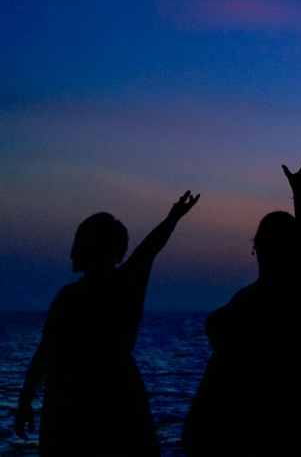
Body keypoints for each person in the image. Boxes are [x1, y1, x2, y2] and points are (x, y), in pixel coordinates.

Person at [12, 191, 200, 455]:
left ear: (93, 248)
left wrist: (24, 403)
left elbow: (45, 352)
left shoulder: (72, 297)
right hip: (117, 392)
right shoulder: (124, 285)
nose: (72, 253)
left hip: (74, 399)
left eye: (79, 244)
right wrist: (173, 218)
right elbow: (149, 249)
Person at [182, 157, 301, 457]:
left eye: (281, 241)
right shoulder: (244, 296)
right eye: (267, 240)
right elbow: (218, 365)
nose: (271, 248)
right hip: (229, 415)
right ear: (256, 246)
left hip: (282, 414)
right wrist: (197, 416)